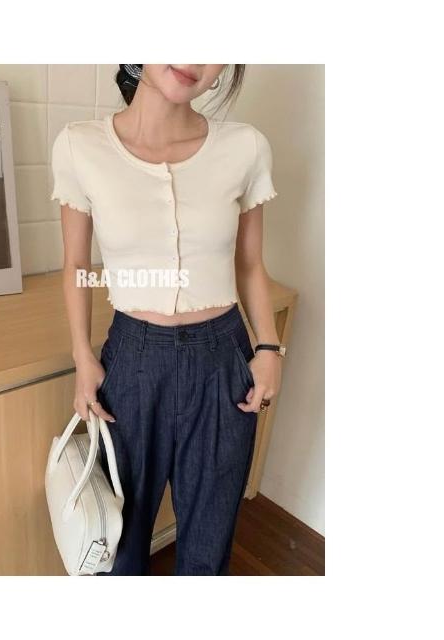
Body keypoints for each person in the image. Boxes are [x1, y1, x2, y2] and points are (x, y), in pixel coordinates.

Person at [50, 64, 286, 576]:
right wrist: (82, 356)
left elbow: (249, 264)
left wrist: (269, 348)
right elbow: (76, 265)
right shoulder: (79, 146)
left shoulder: (245, 147)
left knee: (209, 540)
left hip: (224, 363)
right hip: (132, 362)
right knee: (121, 543)